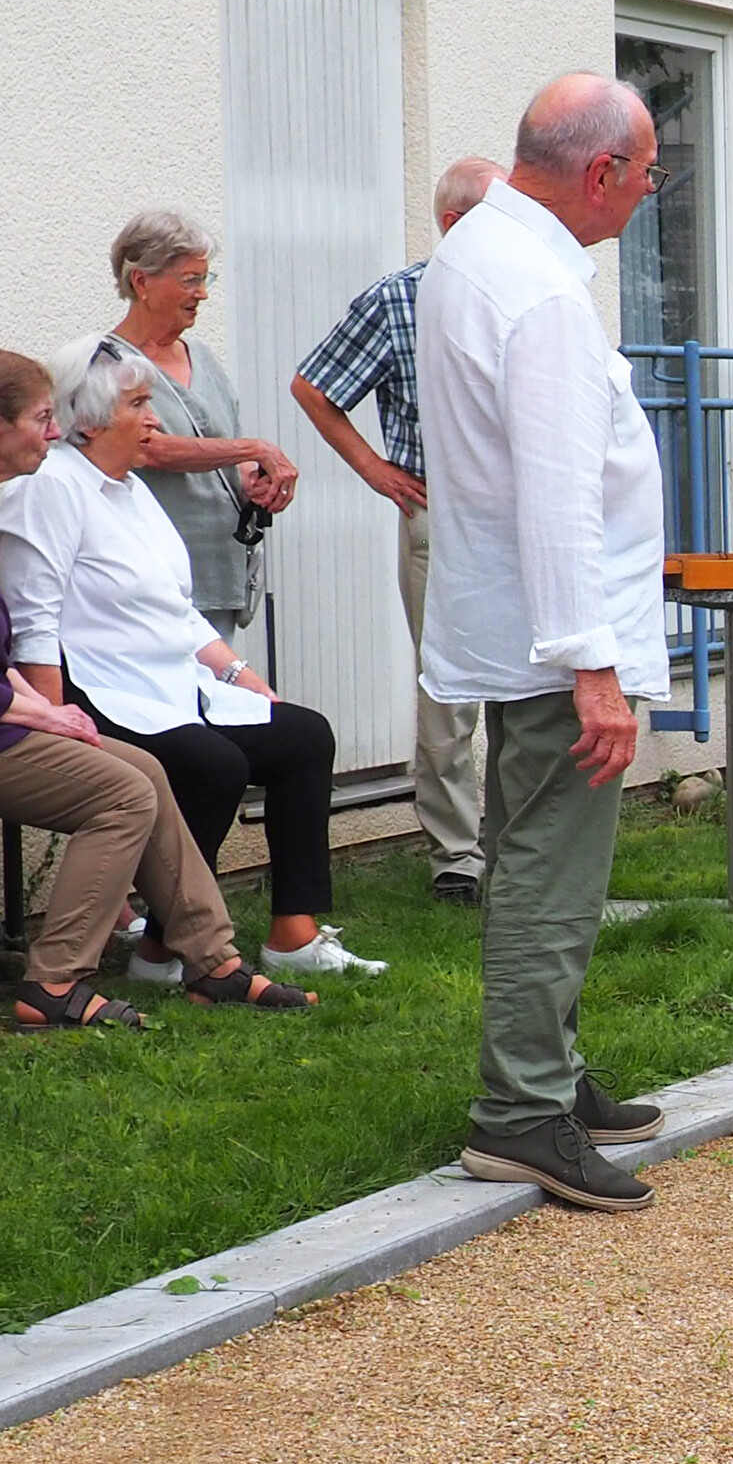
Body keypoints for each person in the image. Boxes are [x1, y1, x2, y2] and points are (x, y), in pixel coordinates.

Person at [0, 349, 296, 1027]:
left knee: (145, 771)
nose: (56, 431)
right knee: (121, 794)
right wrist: (41, 716)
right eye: (43, 418)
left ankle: (214, 964)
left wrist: (41, 707)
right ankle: (54, 985)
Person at [420, 74, 674, 1213]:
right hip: (553, 637)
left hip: (513, 619)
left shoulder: (478, 254)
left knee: (536, 857)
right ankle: (519, 1112)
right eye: (648, 171)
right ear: (600, 171)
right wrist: (595, 667)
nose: (648, 193)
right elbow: (560, 496)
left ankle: (549, 1076)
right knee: (546, 873)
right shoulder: (536, 292)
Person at [0, 336, 380, 984]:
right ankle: (162, 949)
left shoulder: (128, 489)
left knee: (303, 736)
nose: (153, 419)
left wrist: (240, 675)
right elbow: (32, 624)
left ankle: (295, 934)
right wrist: (56, 723)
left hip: (171, 683)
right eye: (139, 404)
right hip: (95, 689)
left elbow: (177, 607)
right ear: (89, 419)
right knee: (213, 766)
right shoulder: (49, 490)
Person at [291, 156, 505, 905]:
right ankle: (458, 855)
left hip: (521, 512)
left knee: (527, 680)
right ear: (452, 223)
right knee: (448, 685)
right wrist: (373, 469)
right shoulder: (397, 299)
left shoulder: (529, 293)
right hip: (439, 511)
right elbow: (313, 386)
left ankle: (517, 842)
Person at [104, 211, 298, 635]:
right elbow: (150, 448)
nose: (201, 295)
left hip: (218, 573)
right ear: (141, 282)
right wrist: (254, 449)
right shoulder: (109, 365)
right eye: (189, 280)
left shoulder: (203, 358)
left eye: (204, 280)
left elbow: (224, 444)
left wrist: (253, 481)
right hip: (153, 580)